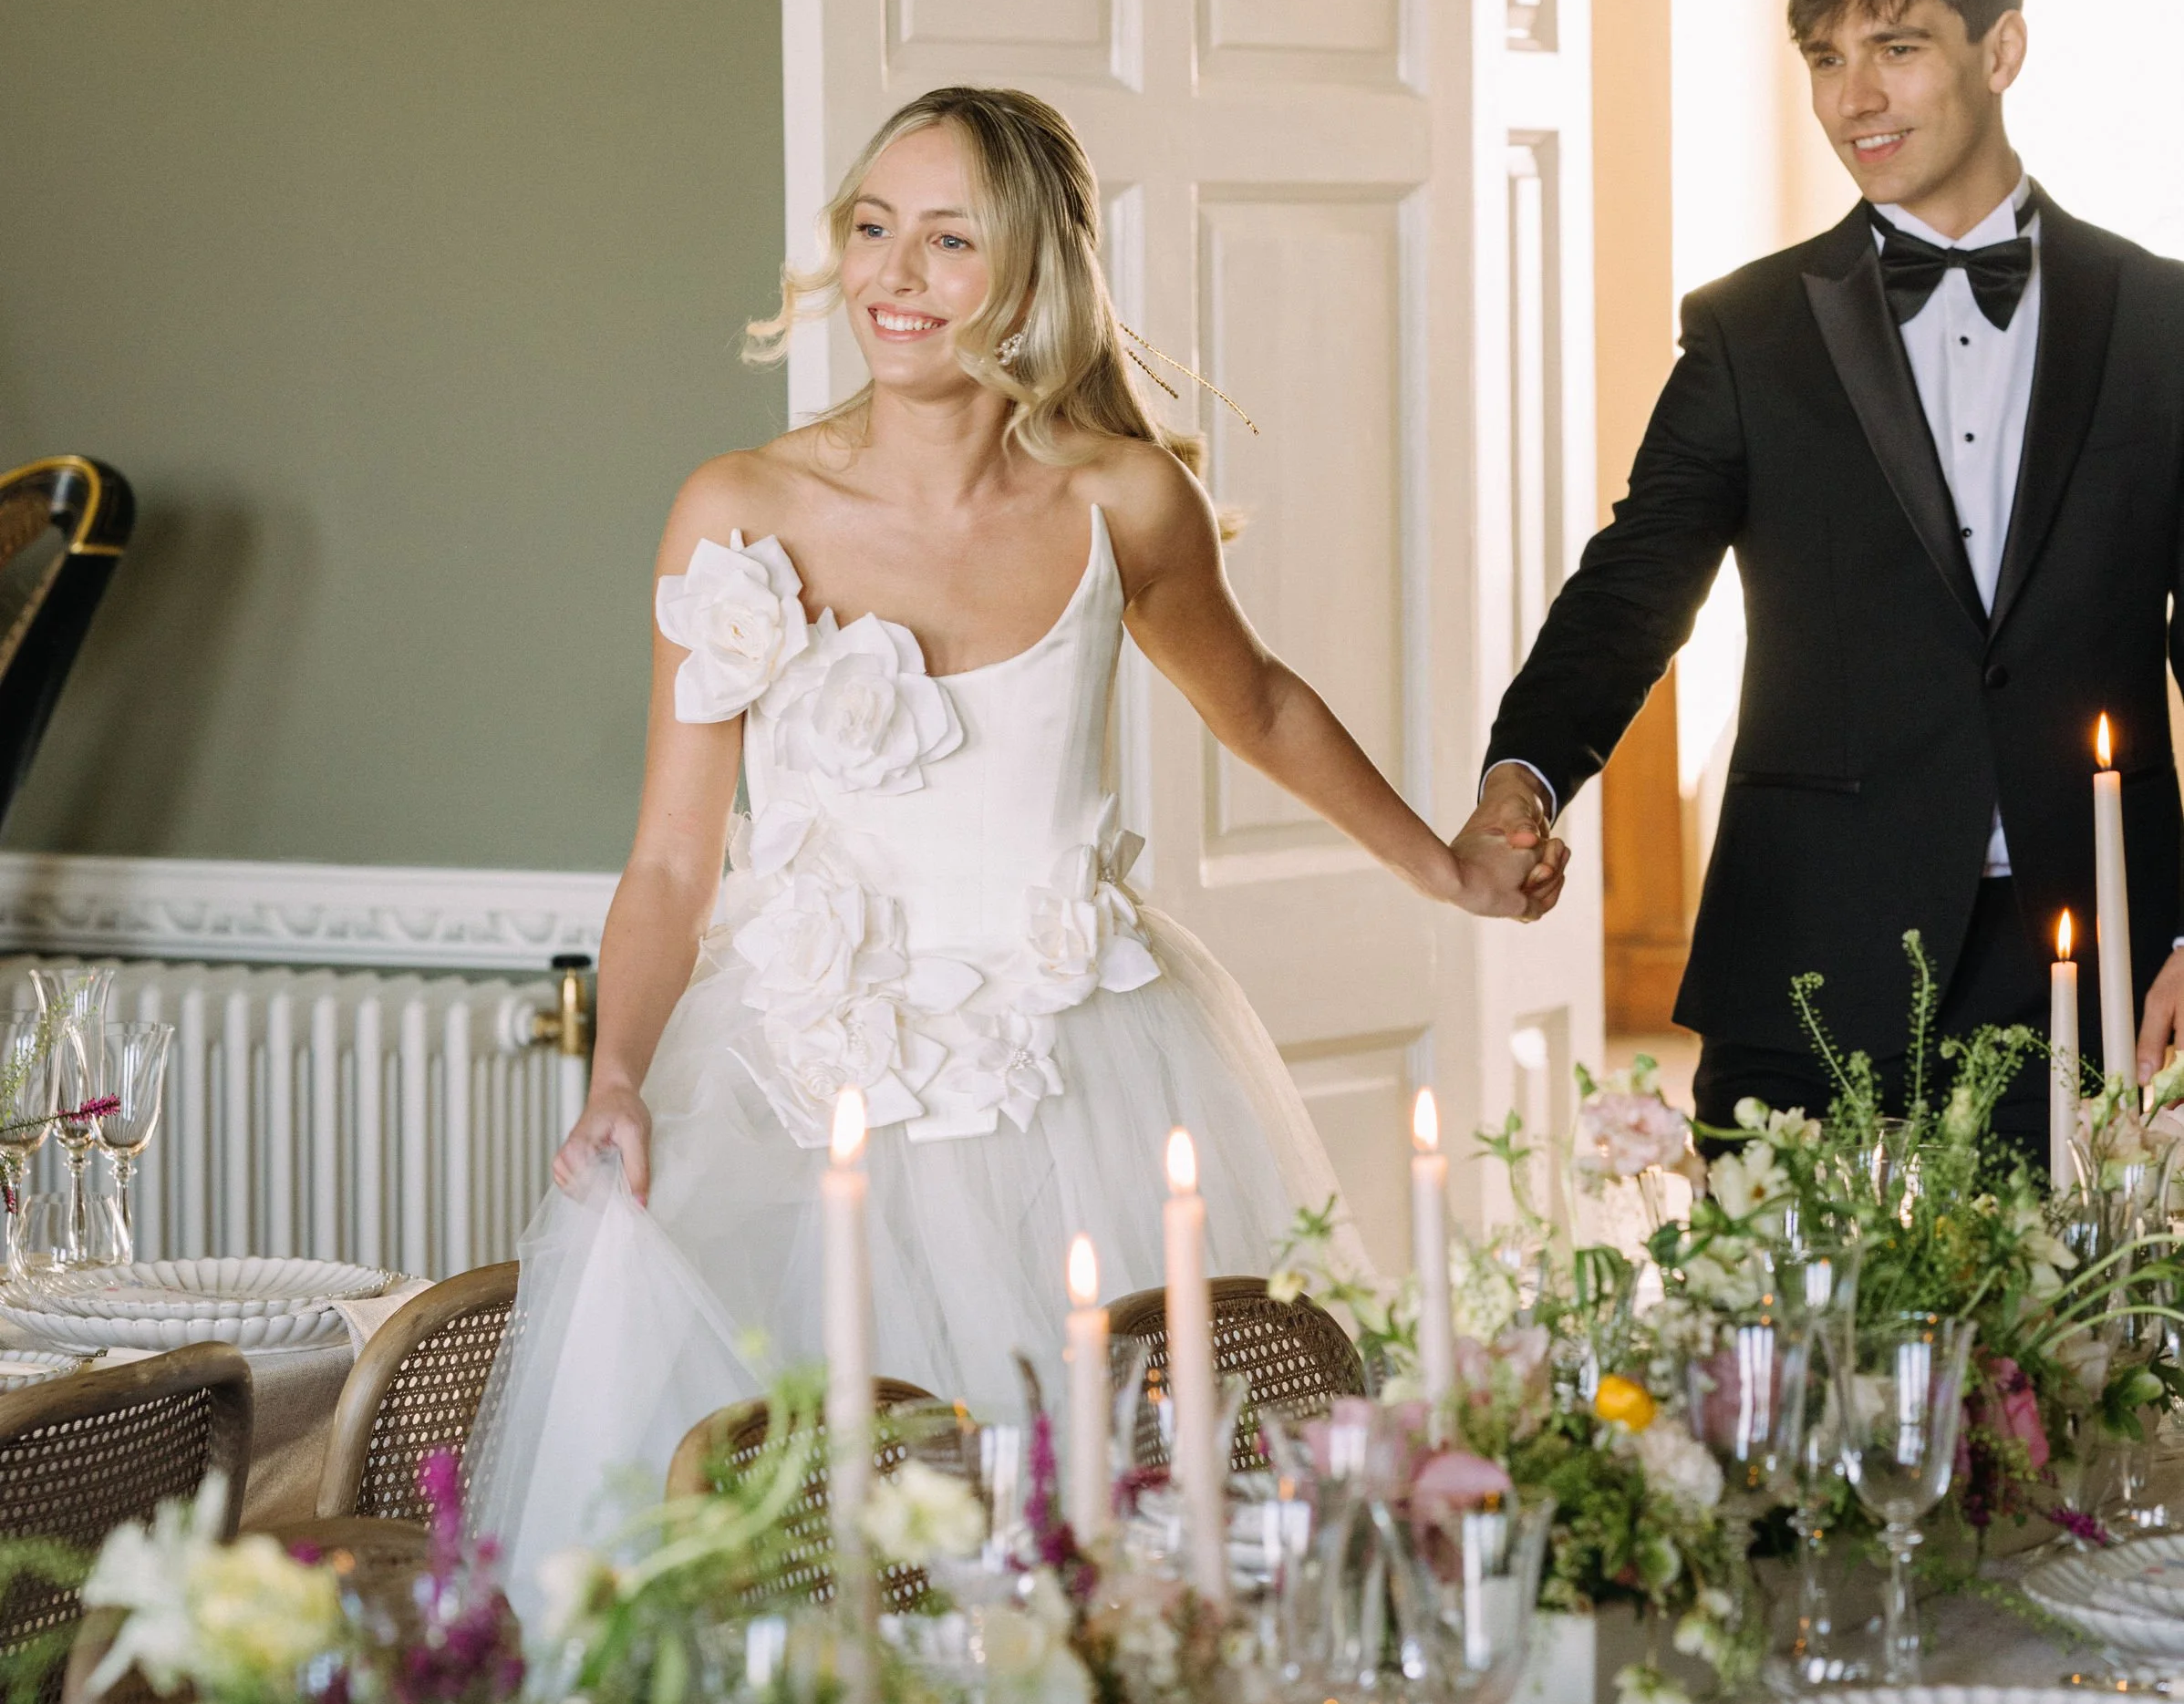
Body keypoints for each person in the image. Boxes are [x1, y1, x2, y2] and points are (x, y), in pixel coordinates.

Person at [471, 83, 1558, 1618]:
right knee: (777, 1552)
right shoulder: (739, 512)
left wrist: (1442, 868)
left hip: (1080, 1068)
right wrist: (621, 1078)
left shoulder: (1123, 501)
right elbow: (666, 862)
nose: (891, 279)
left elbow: (1255, 702)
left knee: (1114, 1554)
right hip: (794, 1079)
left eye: (946, 241)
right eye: (869, 230)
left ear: (1034, 271)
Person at [1449, 0, 2184, 1142]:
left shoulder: (2161, 323)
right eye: (1824, 61)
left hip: (2091, 950)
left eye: (1894, 47)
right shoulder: (1749, 328)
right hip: (1806, 947)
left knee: (2076, 1334)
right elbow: (1637, 581)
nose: (1855, 100)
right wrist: (1524, 774)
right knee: (1769, 1333)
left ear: (1997, 52)